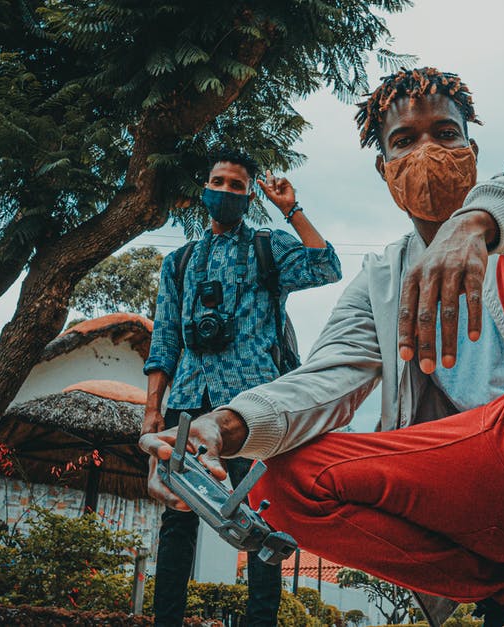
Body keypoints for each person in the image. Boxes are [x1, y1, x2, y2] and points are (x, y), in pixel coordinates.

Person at [141, 68, 504, 627]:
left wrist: (479, 222)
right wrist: (222, 425)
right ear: (384, 168)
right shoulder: (382, 279)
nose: (428, 151)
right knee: (279, 482)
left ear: (473, 150)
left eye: (446, 134)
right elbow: (324, 379)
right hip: (494, 456)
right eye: (404, 141)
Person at [141, 147, 342, 627]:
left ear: (249, 194)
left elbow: (326, 266)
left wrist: (290, 209)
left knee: (259, 522)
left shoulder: (266, 247)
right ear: (205, 188)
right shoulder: (180, 262)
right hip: (189, 403)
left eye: (236, 185)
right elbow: (165, 336)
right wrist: (153, 409)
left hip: (254, 408)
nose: (226, 191)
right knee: (177, 520)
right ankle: (165, 620)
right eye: (219, 182)